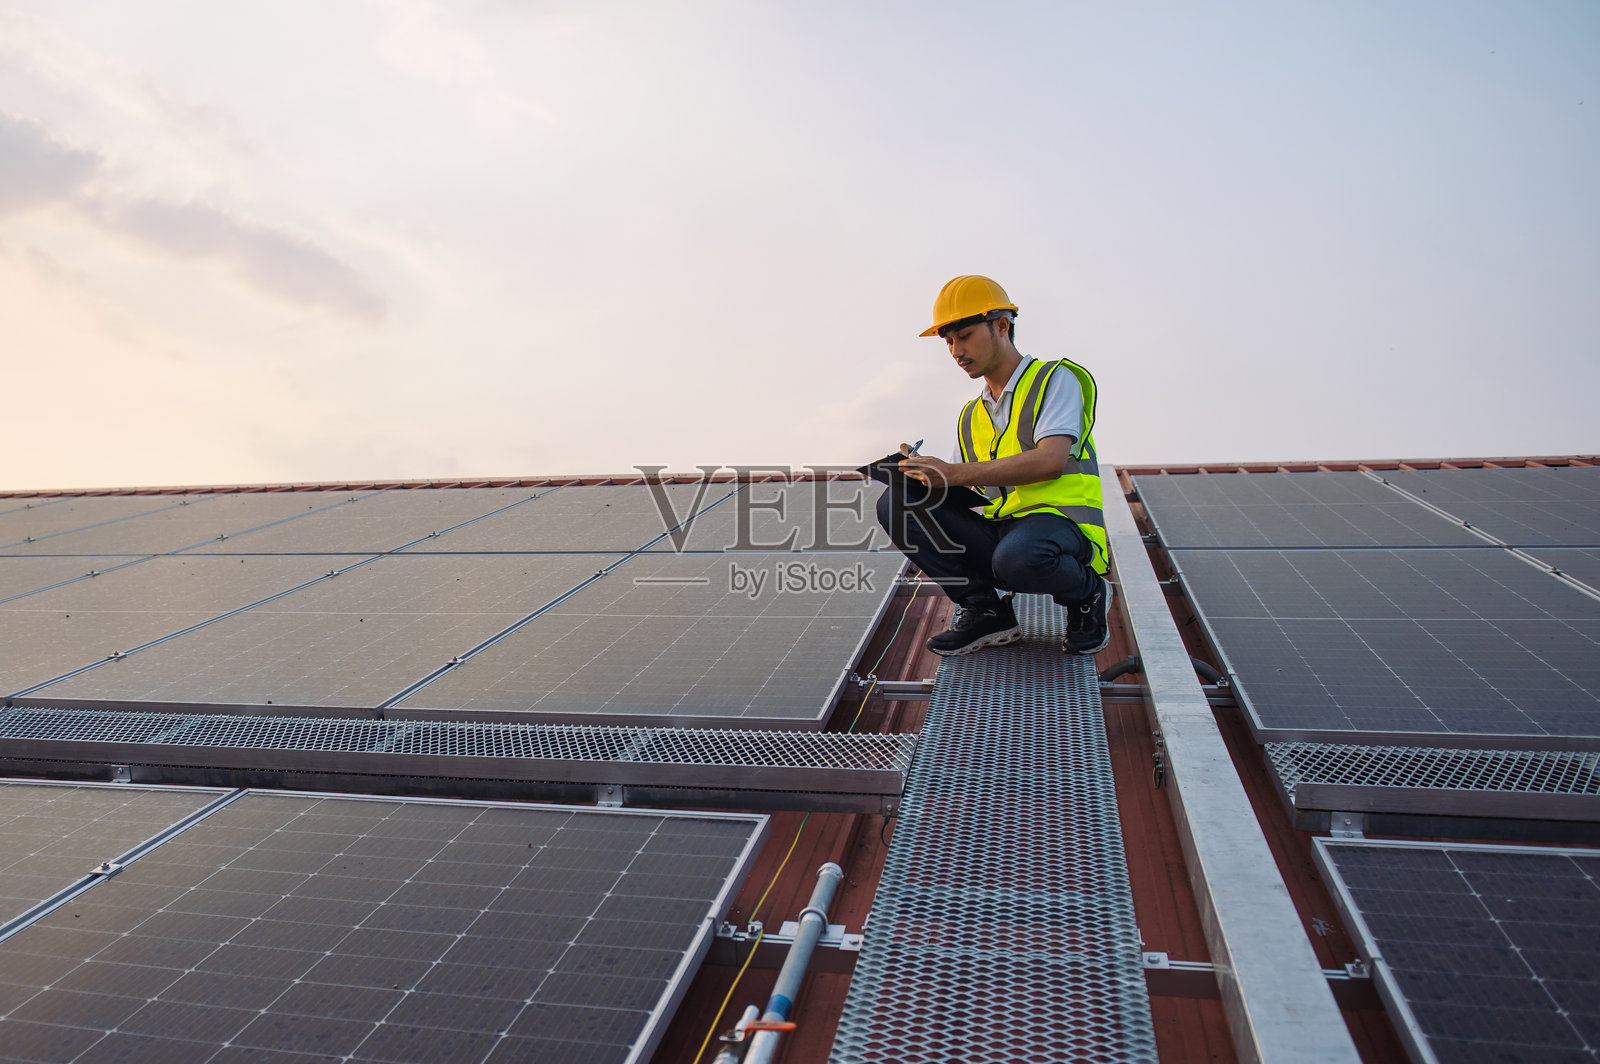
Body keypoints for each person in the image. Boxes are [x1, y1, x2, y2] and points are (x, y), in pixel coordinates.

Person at [877, 274, 1112, 656]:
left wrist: (953, 473)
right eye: (949, 341)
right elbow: (968, 491)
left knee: (1019, 556)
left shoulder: (1055, 379)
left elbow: (1051, 461)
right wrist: (922, 473)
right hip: (1003, 531)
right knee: (898, 501)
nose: (956, 350)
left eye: (965, 335)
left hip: (1060, 530)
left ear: (1002, 325)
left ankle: (1087, 593)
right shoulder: (971, 415)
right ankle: (985, 609)